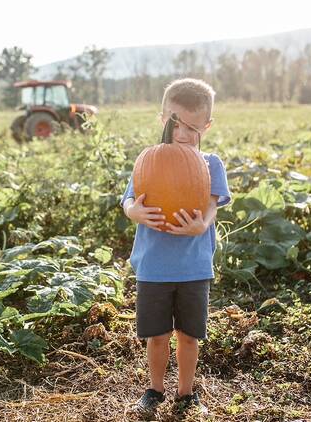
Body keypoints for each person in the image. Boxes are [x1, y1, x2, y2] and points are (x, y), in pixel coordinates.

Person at [120, 78, 231, 415]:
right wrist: (134, 211)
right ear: (163, 118)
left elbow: (212, 205)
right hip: (154, 266)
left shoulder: (210, 164)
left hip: (193, 266)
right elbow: (128, 201)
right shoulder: (148, 160)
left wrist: (203, 224)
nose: (183, 133)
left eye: (193, 127)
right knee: (157, 335)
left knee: (188, 335)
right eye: (176, 123)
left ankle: (186, 394)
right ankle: (154, 390)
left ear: (207, 126)